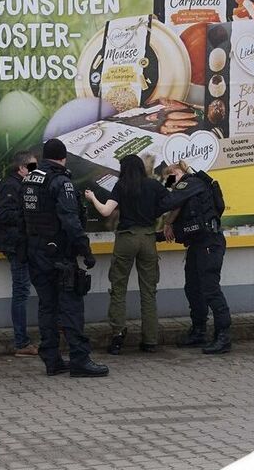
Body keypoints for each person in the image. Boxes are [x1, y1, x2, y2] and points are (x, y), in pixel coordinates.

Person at [23, 139, 108, 377]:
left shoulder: (30, 179)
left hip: (36, 253)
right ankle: (80, 359)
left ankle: (52, 360)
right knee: (71, 306)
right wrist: (86, 251)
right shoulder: (61, 182)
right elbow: (70, 221)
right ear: (63, 158)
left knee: (47, 307)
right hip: (58, 255)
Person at [84, 154, 167, 355]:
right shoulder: (154, 186)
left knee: (118, 288)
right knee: (149, 290)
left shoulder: (121, 186)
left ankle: (118, 336)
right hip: (148, 239)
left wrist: (92, 197)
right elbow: (169, 203)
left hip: (126, 239)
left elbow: (105, 212)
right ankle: (150, 340)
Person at [157, 160, 232, 354]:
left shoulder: (191, 183)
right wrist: (165, 227)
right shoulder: (191, 188)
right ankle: (199, 331)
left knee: (210, 290)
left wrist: (163, 189)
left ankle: (223, 336)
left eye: (170, 179)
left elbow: (169, 201)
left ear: (176, 172)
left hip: (209, 243)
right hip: (198, 244)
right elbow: (181, 216)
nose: (170, 184)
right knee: (193, 287)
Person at [0, 150, 39, 356]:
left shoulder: (22, 185)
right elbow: (3, 215)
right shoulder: (10, 186)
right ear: (21, 168)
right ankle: (21, 343)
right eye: (32, 166)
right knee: (21, 291)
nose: (35, 170)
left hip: (24, 244)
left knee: (25, 289)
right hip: (16, 245)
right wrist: (28, 214)